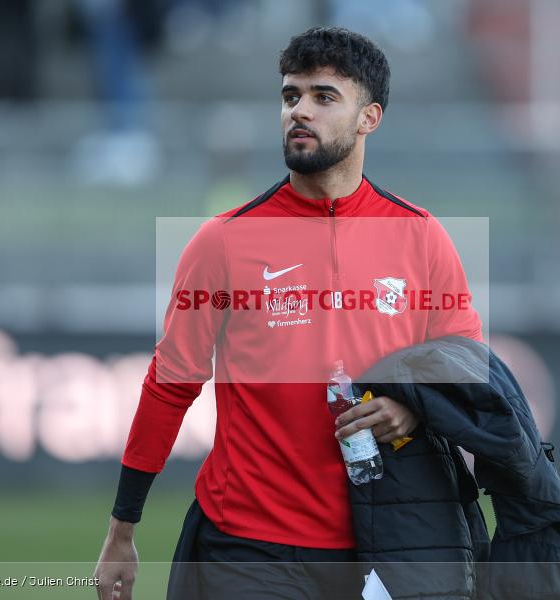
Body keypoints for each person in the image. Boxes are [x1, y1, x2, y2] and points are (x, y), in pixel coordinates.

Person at [93, 26, 483, 600]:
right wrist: (121, 530)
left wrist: (412, 411)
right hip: (246, 547)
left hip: (381, 542)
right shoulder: (222, 242)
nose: (299, 111)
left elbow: (464, 365)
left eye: (324, 97)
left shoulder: (421, 237)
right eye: (290, 96)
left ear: (369, 118)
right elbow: (169, 385)